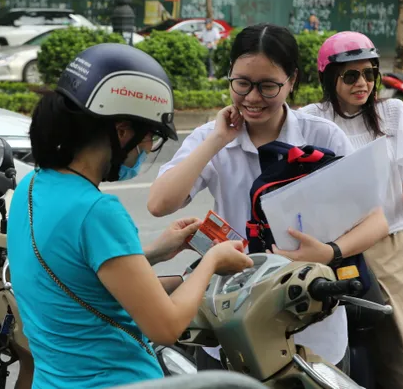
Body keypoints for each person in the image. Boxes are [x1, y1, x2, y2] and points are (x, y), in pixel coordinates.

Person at [6, 43, 253, 389]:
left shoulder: (31, 186)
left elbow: (76, 272)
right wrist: (212, 261)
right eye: (149, 135)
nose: (148, 148)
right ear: (121, 130)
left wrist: (153, 252)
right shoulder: (97, 212)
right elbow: (166, 327)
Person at [148, 23, 390, 371]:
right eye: (242, 83)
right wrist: (218, 141)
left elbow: (376, 219)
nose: (252, 97)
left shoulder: (322, 135)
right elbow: (159, 203)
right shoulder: (212, 138)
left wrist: (329, 252)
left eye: (268, 86)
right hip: (233, 329)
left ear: (292, 81)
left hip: (314, 330)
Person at [299, 31, 403, 389]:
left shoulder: (393, 113)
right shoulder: (312, 120)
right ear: (329, 77)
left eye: (370, 74)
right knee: (331, 354)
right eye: (351, 75)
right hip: (335, 251)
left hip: (394, 244)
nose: (363, 83)